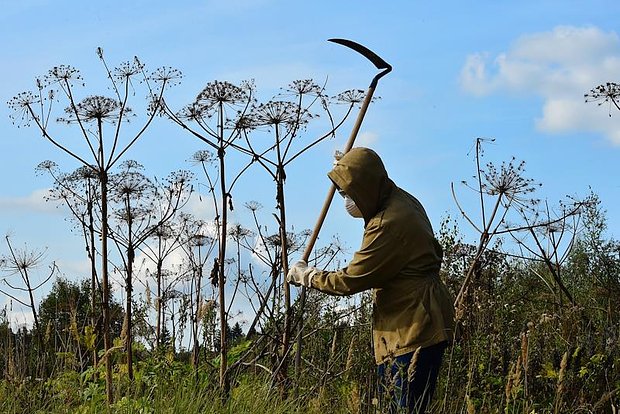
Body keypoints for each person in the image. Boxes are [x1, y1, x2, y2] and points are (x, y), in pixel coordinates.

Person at [287, 147, 455, 413]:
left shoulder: (387, 223)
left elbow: (350, 281)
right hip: (418, 320)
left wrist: (307, 276)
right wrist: (349, 167)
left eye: (349, 193)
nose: (346, 200)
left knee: (404, 407)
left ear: (365, 188)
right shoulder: (402, 199)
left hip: (412, 327)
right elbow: (366, 175)